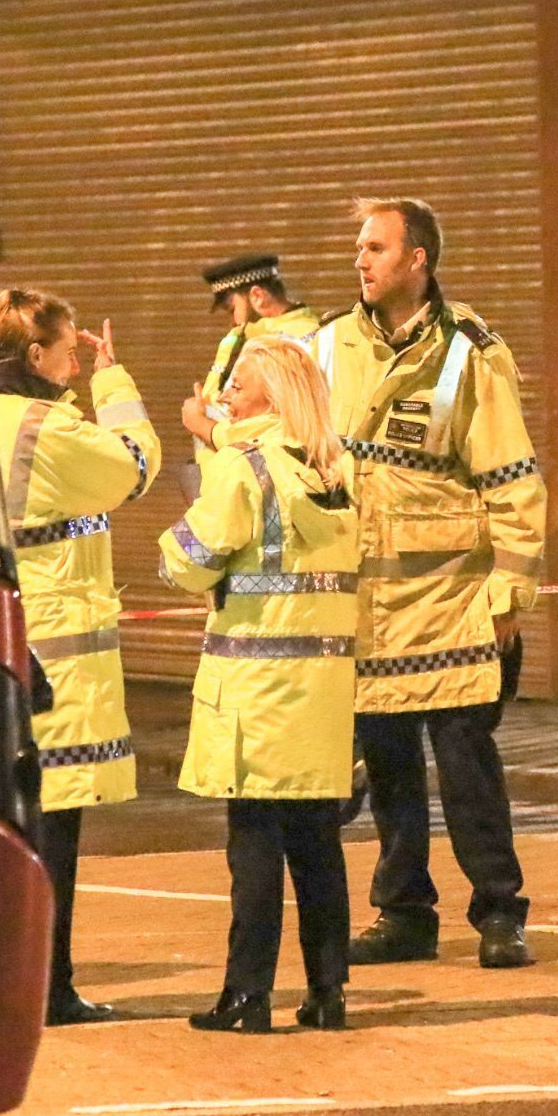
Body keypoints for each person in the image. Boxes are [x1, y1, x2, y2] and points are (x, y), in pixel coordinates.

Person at [185, 198, 546, 969]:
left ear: (419, 259)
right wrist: (217, 432)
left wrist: (509, 594)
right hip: (362, 601)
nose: (361, 260)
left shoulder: (467, 353)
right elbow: (284, 439)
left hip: (450, 599)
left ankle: (498, 911)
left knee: (465, 764)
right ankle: (404, 911)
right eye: (359, 247)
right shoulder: (324, 345)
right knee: (387, 767)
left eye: (377, 247)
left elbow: (514, 480)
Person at [160, 335, 359, 1034]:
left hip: (255, 686)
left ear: (271, 394)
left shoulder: (242, 468)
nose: (225, 397)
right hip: (322, 691)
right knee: (318, 849)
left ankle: (247, 997)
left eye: (238, 387)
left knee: (253, 853)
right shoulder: (338, 468)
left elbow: (192, 559)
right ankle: (328, 993)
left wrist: (171, 546)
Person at [0, 286, 162, 1025]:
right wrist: (115, 380)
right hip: (54, 650)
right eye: (68, 350)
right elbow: (136, 466)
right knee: (53, 832)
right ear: (36, 357)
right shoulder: (46, 428)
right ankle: (48, 988)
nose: (76, 362)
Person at [182, 254, 322, 495]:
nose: (234, 320)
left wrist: (205, 427)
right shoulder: (241, 337)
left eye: (232, 308)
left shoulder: (300, 344)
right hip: (223, 484)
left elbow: (283, 427)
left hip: (265, 490)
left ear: (257, 296)